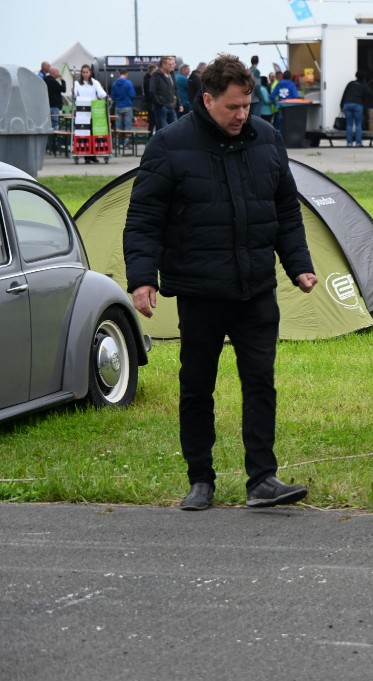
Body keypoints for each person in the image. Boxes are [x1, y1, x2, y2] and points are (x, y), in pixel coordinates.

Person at [123, 53, 318, 512]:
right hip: (200, 291)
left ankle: (262, 480)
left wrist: (299, 264)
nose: (242, 115)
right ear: (207, 100)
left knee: (260, 384)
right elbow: (143, 219)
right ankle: (200, 480)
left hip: (255, 289)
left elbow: (286, 210)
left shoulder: (267, 139)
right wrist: (141, 279)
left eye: (247, 106)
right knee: (196, 386)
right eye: (233, 107)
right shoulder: (169, 145)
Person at [72, 64, 106, 164]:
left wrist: (105, 96)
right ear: (81, 73)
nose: (85, 74)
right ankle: (86, 156)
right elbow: (74, 94)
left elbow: (101, 93)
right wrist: (72, 93)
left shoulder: (95, 83)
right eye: (83, 72)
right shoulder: (77, 83)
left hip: (93, 111)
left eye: (87, 72)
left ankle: (93, 155)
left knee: (93, 133)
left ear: (90, 72)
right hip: (82, 111)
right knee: (83, 133)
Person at [340, 71, 372, 147]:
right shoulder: (364, 85)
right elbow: (371, 94)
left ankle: (349, 143)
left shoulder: (350, 83)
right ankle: (358, 143)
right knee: (358, 124)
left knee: (349, 125)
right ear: (364, 78)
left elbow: (344, 94)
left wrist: (341, 105)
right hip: (358, 105)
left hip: (347, 105)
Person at [109, 68, 137, 150]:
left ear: (119, 74)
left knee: (118, 125)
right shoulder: (129, 83)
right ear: (126, 74)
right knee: (127, 126)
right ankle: (126, 143)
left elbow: (112, 97)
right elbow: (132, 95)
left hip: (118, 106)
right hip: (127, 106)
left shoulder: (114, 84)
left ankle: (116, 142)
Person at [152, 56, 179, 130]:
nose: (172, 66)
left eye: (173, 64)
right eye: (170, 64)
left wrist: (179, 104)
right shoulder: (156, 75)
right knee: (164, 129)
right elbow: (152, 91)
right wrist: (160, 104)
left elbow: (174, 90)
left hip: (171, 105)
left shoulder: (171, 75)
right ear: (163, 65)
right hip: (162, 107)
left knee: (175, 127)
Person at [43, 67, 66, 151]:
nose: (59, 73)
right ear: (54, 73)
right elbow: (63, 89)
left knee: (48, 127)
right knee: (55, 126)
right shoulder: (53, 81)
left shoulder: (44, 80)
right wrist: (63, 80)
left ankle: (48, 145)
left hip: (47, 106)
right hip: (55, 106)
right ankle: (55, 145)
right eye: (58, 72)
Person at [143, 64, 157, 134]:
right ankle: (152, 137)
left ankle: (150, 137)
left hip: (149, 103)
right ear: (153, 70)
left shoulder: (146, 79)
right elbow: (151, 93)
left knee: (152, 122)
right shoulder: (150, 80)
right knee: (153, 121)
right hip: (152, 104)